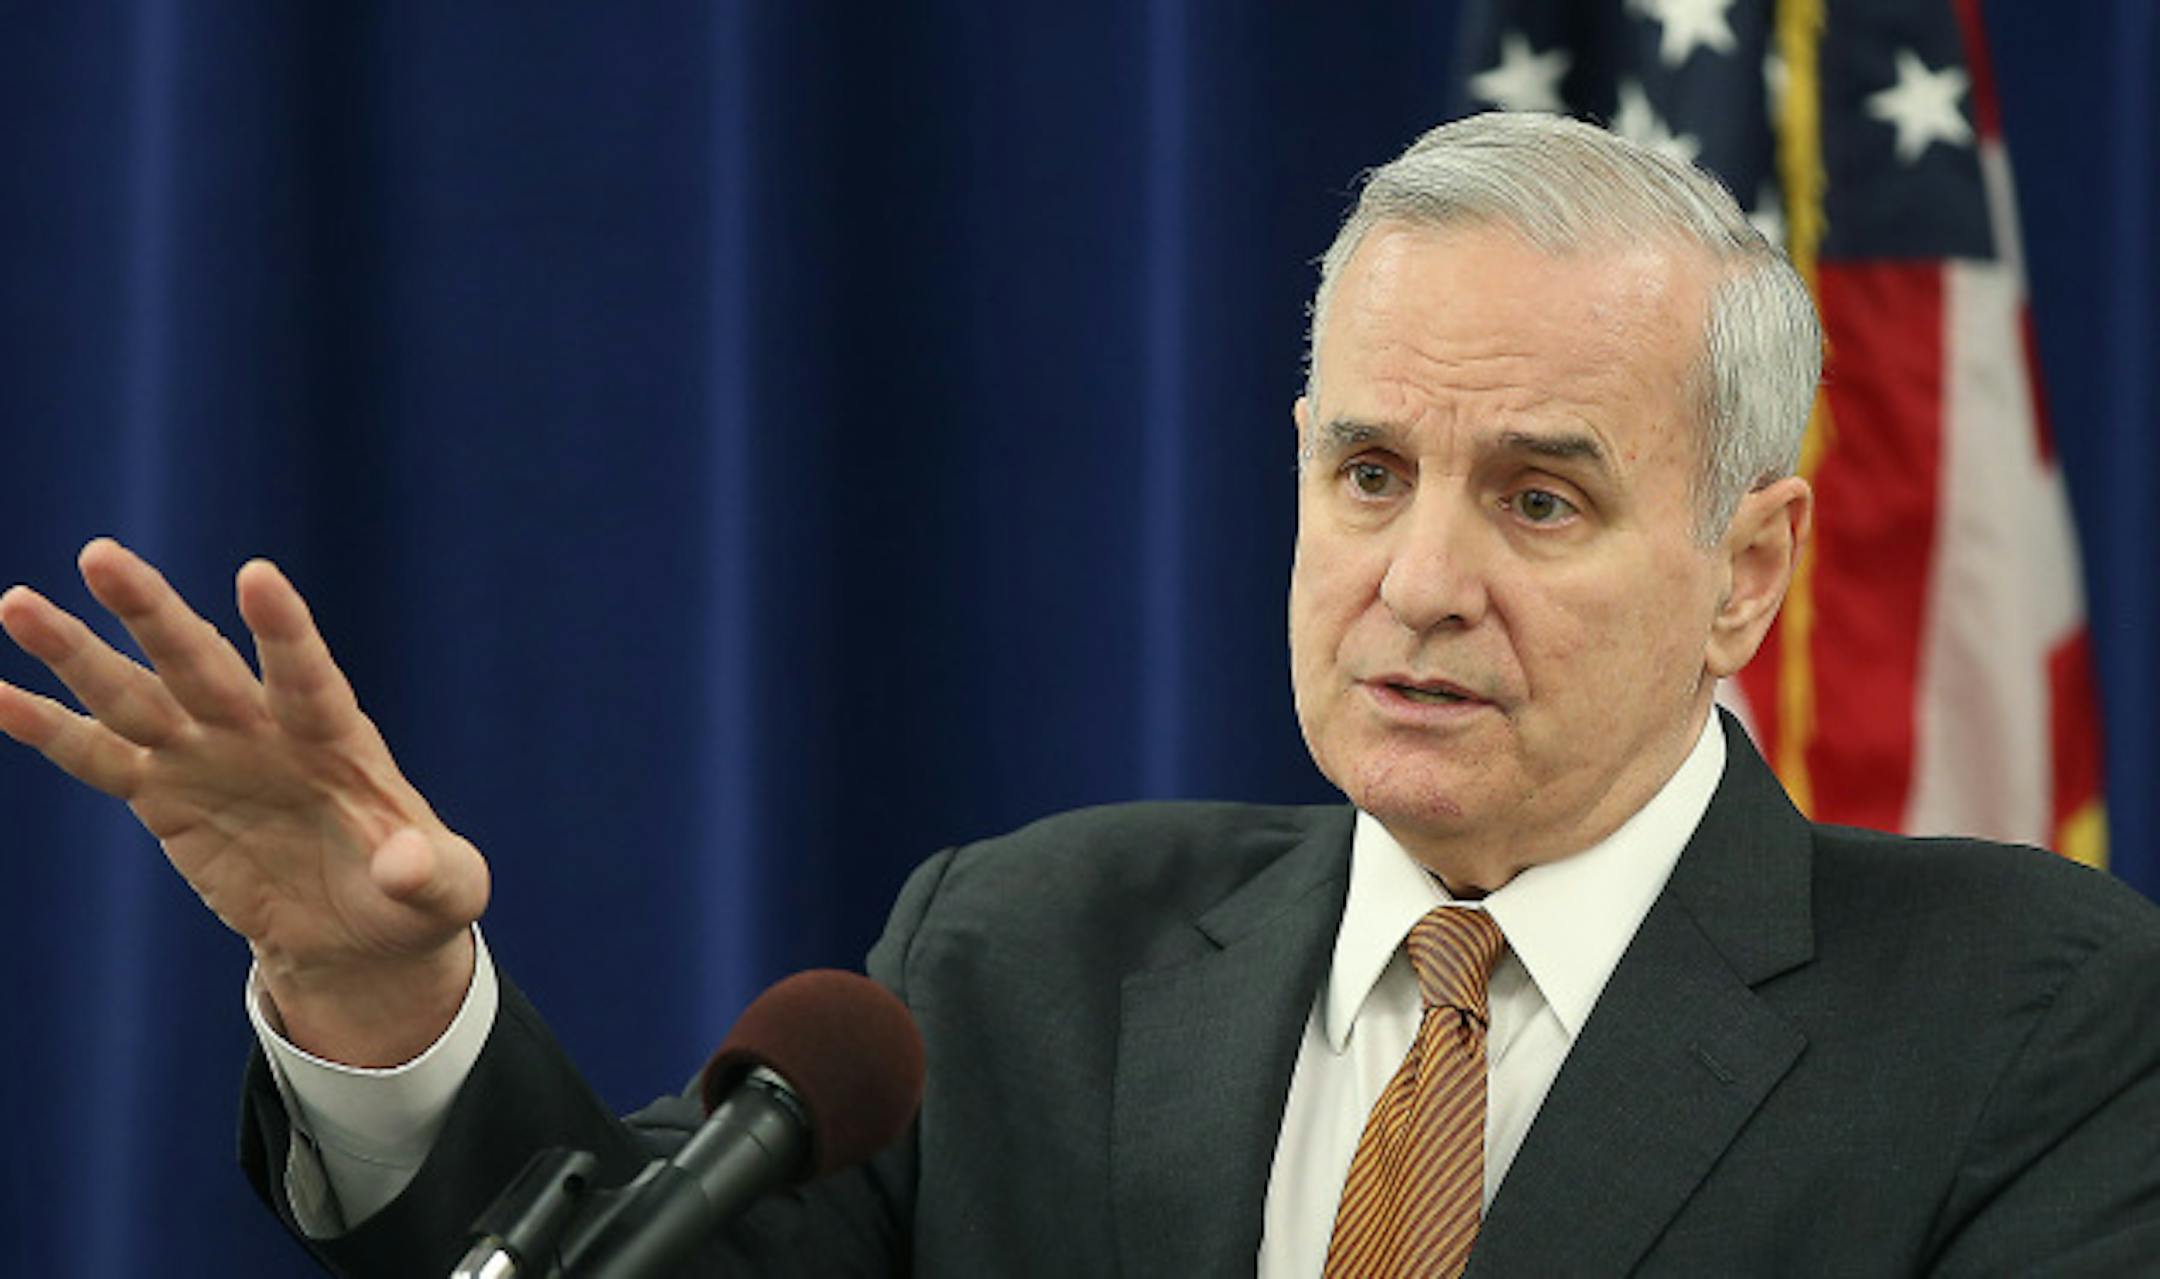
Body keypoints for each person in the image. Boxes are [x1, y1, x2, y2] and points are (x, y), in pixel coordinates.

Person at [3, 113, 2156, 1276]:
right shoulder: (1023, 952)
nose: (1421, 581)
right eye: (1370, 473)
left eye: (1540, 497)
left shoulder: (2035, 1025)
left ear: (1747, 572)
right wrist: (384, 997)